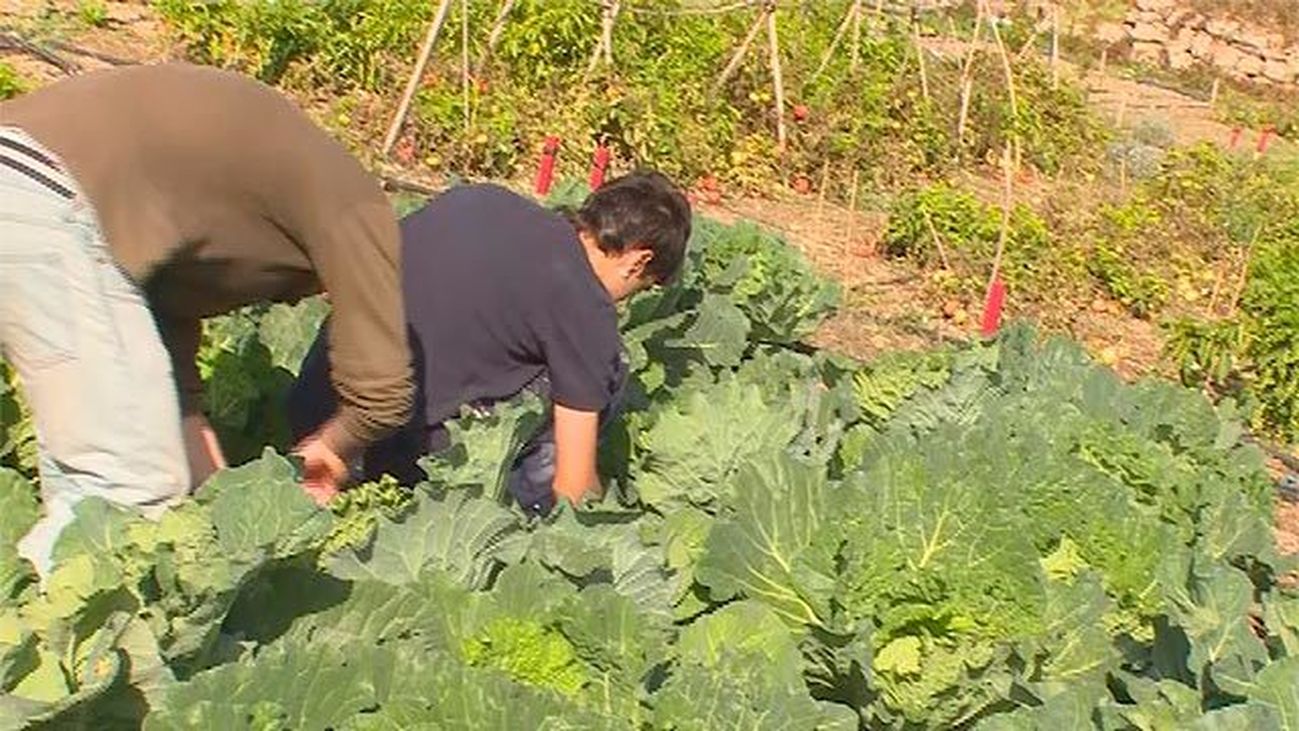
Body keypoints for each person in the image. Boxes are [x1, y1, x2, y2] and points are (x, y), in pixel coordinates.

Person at [0, 63, 414, 575]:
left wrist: (218, 497)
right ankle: (29, 643)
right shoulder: (359, 206)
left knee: (98, 487)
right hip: (42, 191)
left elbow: (152, 317)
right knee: (124, 493)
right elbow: (383, 395)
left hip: (25, 176)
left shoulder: (259, 182)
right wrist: (330, 453)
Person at [287, 172, 692, 514]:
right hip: (393, 458)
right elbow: (573, 485)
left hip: (314, 409)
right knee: (609, 369)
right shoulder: (585, 308)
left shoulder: (480, 200)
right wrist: (600, 535)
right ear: (638, 260)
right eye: (641, 288)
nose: (626, 301)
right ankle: (513, 513)